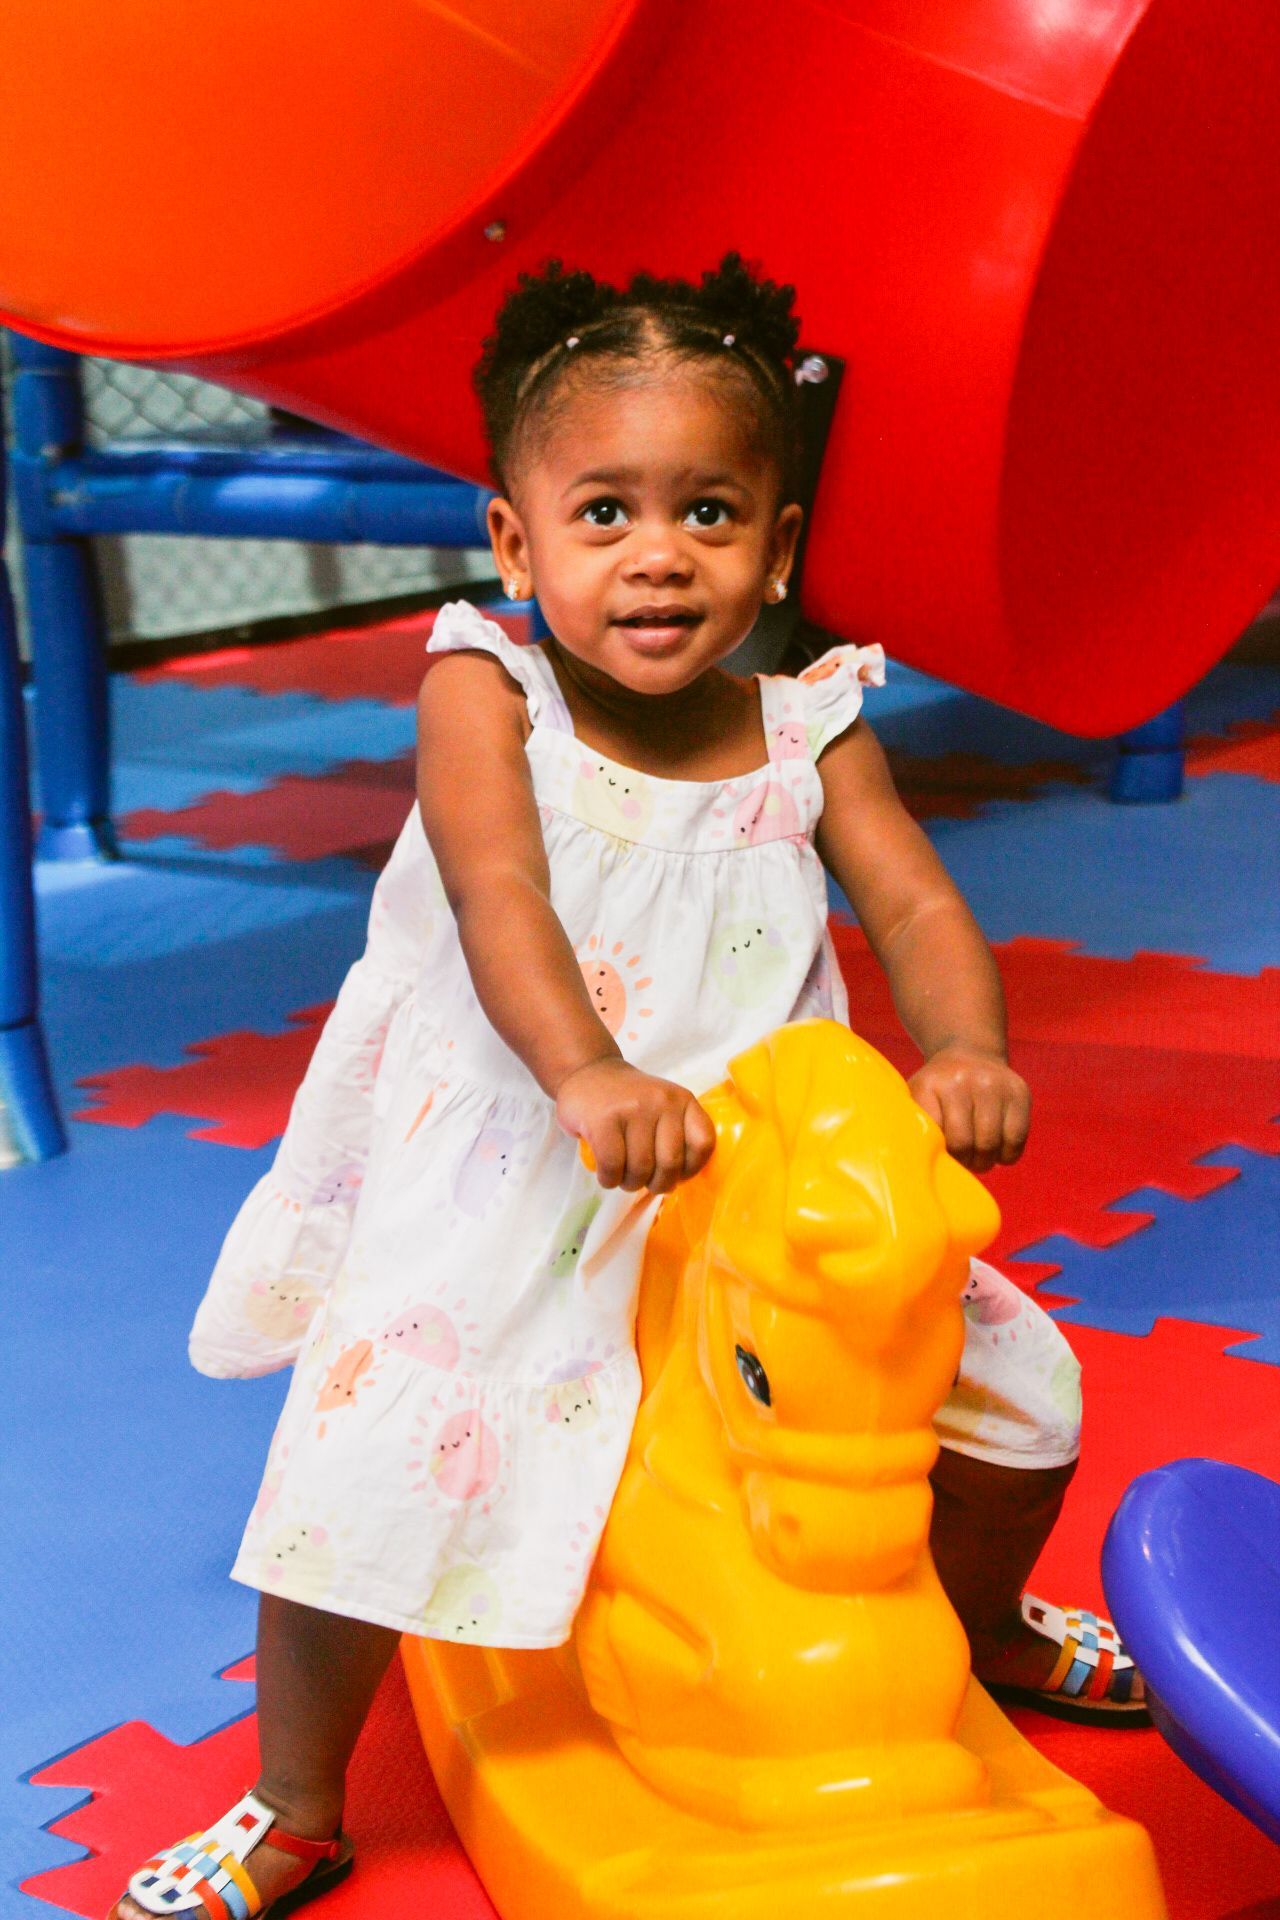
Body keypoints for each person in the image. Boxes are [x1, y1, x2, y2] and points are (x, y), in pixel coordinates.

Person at [114, 252, 1144, 1920]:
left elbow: (917, 902)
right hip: (535, 1149)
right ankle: (292, 1800)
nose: (657, 555)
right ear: (517, 545)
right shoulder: (485, 691)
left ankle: (978, 1631)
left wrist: (964, 1047)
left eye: (710, 514)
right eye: (603, 514)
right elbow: (497, 894)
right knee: (368, 1461)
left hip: (754, 1186)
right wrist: (588, 1072)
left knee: (1024, 1399)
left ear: (778, 545)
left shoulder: (812, 723)